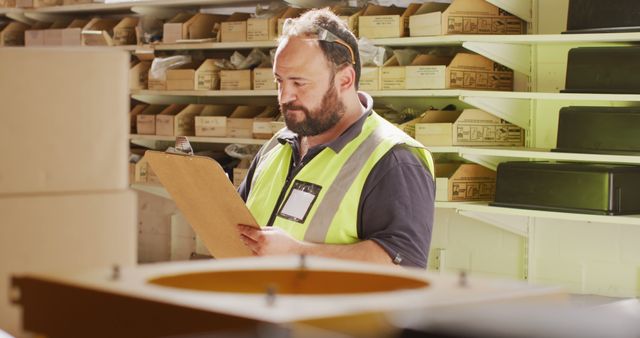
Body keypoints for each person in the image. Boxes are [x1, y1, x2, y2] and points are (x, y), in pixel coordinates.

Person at [236, 8, 435, 268]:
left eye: (299, 83)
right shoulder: (277, 145)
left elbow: (402, 264)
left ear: (345, 80)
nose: (284, 96)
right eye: (279, 81)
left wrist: (297, 253)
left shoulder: (394, 159)